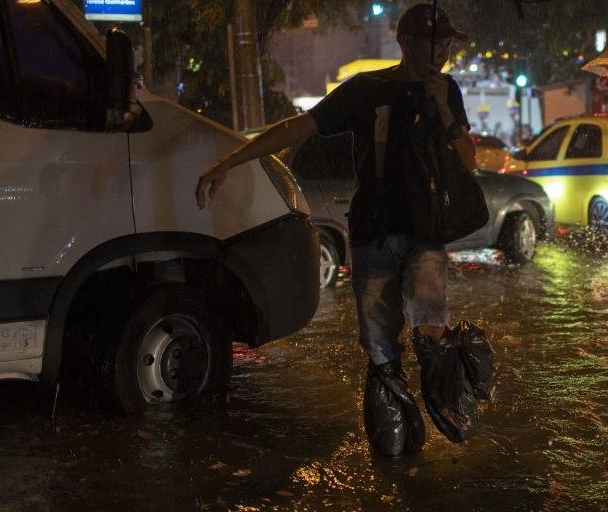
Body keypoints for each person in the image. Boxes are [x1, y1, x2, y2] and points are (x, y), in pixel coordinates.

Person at [194, 4, 476, 457]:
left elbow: (468, 158)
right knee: (379, 343)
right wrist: (230, 161)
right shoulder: (367, 90)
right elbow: (296, 128)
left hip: (426, 234)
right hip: (372, 232)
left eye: (447, 44)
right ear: (406, 44)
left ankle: (448, 408)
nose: (442, 53)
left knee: (431, 329)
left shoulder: (449, 91)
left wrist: (443, 107)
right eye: (434, 43)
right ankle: (397, 444)